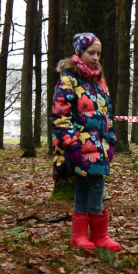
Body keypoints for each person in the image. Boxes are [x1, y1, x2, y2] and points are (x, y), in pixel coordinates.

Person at [52, 32, 120, 252]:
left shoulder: (99, 80)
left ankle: (93, 235)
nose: (96, 57)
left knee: (92, 183)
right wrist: (70, 144)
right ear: (79, 52)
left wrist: (110, 137)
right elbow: (60, 115)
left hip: (99, 145)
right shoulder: (68, 79)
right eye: (92, 52)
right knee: (89, 185)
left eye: (98, 53)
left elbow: (106, 111)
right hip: (79, 144)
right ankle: (85, 235)